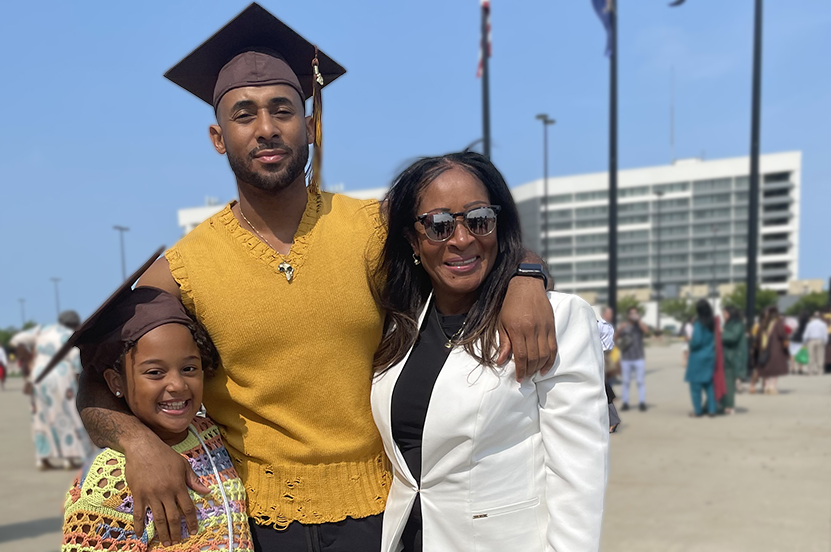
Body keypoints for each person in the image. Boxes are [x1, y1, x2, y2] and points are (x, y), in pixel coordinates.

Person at [69, 5, 558, 550]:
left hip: (388, 511)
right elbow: (95, 380)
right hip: (255, 523)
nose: (266, 128)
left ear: (310, 123)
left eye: (282, 109)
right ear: (217, 136)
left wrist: (524, 273)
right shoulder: (182, 267)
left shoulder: (374, 228)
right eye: (244, 114)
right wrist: (137, 443)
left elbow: (469, 244)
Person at [370, 152, 608, 551]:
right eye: (439, 225)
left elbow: (579, 474)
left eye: (479, 220)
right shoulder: (399, 327)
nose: (462, 240)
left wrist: (527, 275)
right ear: (414, 240)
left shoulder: (554, 319)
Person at [59, 280, 253, 551]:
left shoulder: (210, 434)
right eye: (154, 372)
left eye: (189, 368)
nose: (177, 385)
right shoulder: (109, 481)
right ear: (116, 382)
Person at [11, 311, 95, 470]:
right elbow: (77, 365)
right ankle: (68, 458)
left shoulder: (43, 331)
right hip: (61, 376)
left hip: (39, 373)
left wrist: (29, 358)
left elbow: (17, 340)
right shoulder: (72, 335)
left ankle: (42, 459)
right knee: (64, 415)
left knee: (41, 416)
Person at [686, 300, 717, 417]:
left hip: (698, 356)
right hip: (710, 355)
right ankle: (712, 410)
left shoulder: (699, 323)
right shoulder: (713, 322)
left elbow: (697, 341)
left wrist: (690, 343)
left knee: (695, 386)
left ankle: (698, 411)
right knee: (709, 384)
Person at [617, 306, 650, 412]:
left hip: (639, 357)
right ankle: (625, 403)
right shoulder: (624, 326)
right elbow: (615, 338)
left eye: (635, 313)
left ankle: (642, 402)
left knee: (640, 381)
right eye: (631, 313)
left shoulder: (639, 326)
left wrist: (639, 320)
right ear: (628, 315)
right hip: (626, 358)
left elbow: (646, 331)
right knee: (626, 382)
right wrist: (620, 329)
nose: (634, 315)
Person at [751, 306, 788, 395]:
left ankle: (766, 386)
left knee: (766, 368)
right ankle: (772, 387)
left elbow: (758, 337)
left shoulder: (763, 323)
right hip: (775, 348)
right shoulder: (777, 323)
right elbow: (782, 335)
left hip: (763, 349)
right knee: (775, 369)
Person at [720, 305, 748, 415]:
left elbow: (732, 337)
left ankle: (729, 406)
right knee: (727, 382)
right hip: (728, 356)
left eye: (725, 313)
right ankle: (725, 404)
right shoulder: (731, 324)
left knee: (729, 383)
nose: (723, 315)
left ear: (730, 314)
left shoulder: (737, 324)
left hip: (732, 357)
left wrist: (721, 332)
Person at [803, 311, 829, 376]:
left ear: (814, 317)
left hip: (811, 340)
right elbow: (825, 334)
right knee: (820, 356)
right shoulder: (823, 324)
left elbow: (806, 334)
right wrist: (825, 341)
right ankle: (820, 371)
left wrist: (805, 341)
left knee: (811, 356)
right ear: (820, 316)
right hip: (820, 340)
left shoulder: (810, 324)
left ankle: (811, 371)